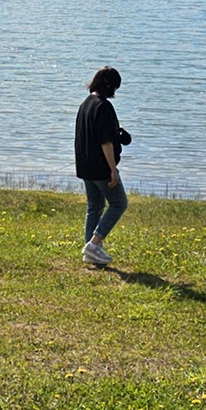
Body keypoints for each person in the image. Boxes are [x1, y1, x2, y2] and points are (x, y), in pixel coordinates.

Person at [74, 66, 130, 265]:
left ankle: (91, 253)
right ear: (109, 86)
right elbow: (105, 142)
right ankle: (94, 244)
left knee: (95, 207)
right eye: (115, 88)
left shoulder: (86, 104)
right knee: (119, 204)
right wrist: (113, 170)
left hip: (85, 165)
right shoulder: (103, 106)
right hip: (101, 167)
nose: (115, 92)